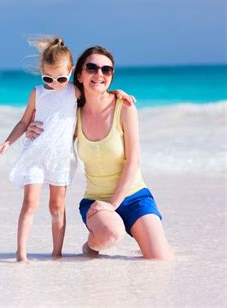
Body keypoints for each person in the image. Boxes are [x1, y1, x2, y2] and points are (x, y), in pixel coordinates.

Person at [0, 37, 134, 262]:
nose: (55, 83)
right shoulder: (37, 93)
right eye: (48, 78)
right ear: (42, 73)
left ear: (71, 72)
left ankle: (56, 254)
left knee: (57, 206)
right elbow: (23, 121)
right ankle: (21, 254)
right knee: (30, 203)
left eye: (60, 78)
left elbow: (98, 92)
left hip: (61, 159)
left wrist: (118, 93)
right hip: (35, 155)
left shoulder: (74, 92)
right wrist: (7, 142)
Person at [26, 46, 174, 260]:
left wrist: (113, 204)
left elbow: (134, 161)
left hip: (135, 196)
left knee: (161, 258)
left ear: (112, 75)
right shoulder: (72, 113)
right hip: (96, 200)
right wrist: (32, 130)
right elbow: (50, 138)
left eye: (107, 70)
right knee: (111, 234)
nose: (99, 74)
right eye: (92, 68)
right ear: (79, 74)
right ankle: (91, 246)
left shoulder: (124, 106)